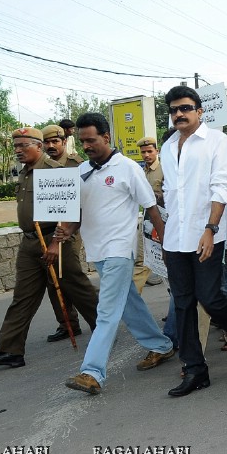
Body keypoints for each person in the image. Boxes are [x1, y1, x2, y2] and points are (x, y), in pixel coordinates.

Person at [56, 113, 175, 394]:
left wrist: (165, 244)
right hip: (96, 250)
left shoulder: (128, 169)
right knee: (128, 303)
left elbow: (151, 208)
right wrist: (66, 231)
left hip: (120, 249)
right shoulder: (82, 171)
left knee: (107, 310)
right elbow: (79, 213)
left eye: (91, 140)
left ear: (106, 137)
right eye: (82, 141)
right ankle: (162, 345)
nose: (86, 146)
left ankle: (92, 372)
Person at [159, 85, 227, 397]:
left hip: (207, 233)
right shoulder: (168, 147)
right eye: (174, 109)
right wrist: (165, 236)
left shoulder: (217, 141)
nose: (179, 114)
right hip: (176, 237)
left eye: (185, 108)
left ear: (199, 111)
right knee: (182, 303)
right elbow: (170, 194)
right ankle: (195, 369)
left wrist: (210, 228)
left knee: (211, 298)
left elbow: (222, 186)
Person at [0, 128, 99, 369]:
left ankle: (103, 329)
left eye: (24, 145)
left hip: (54, 239)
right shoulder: (25, 174)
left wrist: (56, 243)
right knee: (22, 297)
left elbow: (71, 209)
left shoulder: (55, 172)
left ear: (39, 147)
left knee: (76, 287)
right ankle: (10, 350)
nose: (18, 150)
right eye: (15, 146)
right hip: (30, 242)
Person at [40, 124, 85, 342]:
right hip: (49, 229)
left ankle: (100, 321)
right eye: (46, 142)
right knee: (52, 278)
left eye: (55, 141)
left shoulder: (77, 165)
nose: (50, 146)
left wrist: (67, 230)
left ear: (64, 142)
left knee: (71, 276)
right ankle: (67, 323)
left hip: (70, 230)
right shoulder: (42, 166)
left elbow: (83, 201)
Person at [134, 136, 164, 287]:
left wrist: (158, 196)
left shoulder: (165, 169)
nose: (146, 155)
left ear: (156, 151)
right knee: (142, 260)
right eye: (143, 152)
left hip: (164, 222)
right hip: (147, 221)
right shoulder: (140, 171)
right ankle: (129, 303)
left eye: (149, 151)